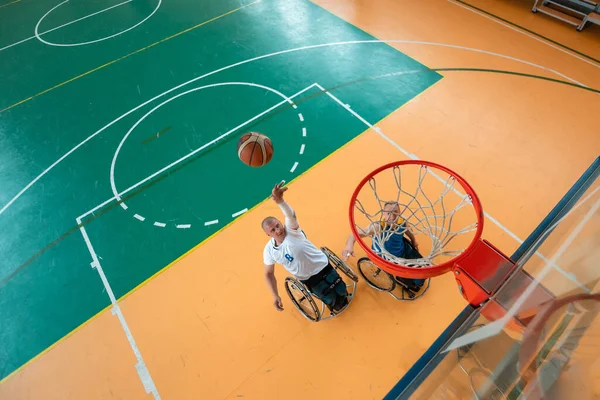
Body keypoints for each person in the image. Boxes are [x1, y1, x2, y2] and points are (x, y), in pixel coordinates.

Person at [263, 182, 349, 313]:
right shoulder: (269, 251)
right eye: (273, 230)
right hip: (309, 279)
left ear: (281, 223)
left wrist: (280, 201)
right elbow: (269, 273)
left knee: (343, 292)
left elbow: (290, 215)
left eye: (278, 225)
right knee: (335, 304)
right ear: (268, 234)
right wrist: (275, 295)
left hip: (322, 266)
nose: (278, 230)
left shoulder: (292, 230)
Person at [342, 201, 425, 292]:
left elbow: (408, 231)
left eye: (395, 212)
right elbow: (354, 234)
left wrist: (414, 240)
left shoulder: (402, 221)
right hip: (387, 258)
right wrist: (349, 246)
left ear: (399, 212)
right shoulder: (378, 227)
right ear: (383, 214)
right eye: (388, 213)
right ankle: (401, 279)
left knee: (423, 271)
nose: (392, 217)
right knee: (415, 282)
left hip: (402, 249)